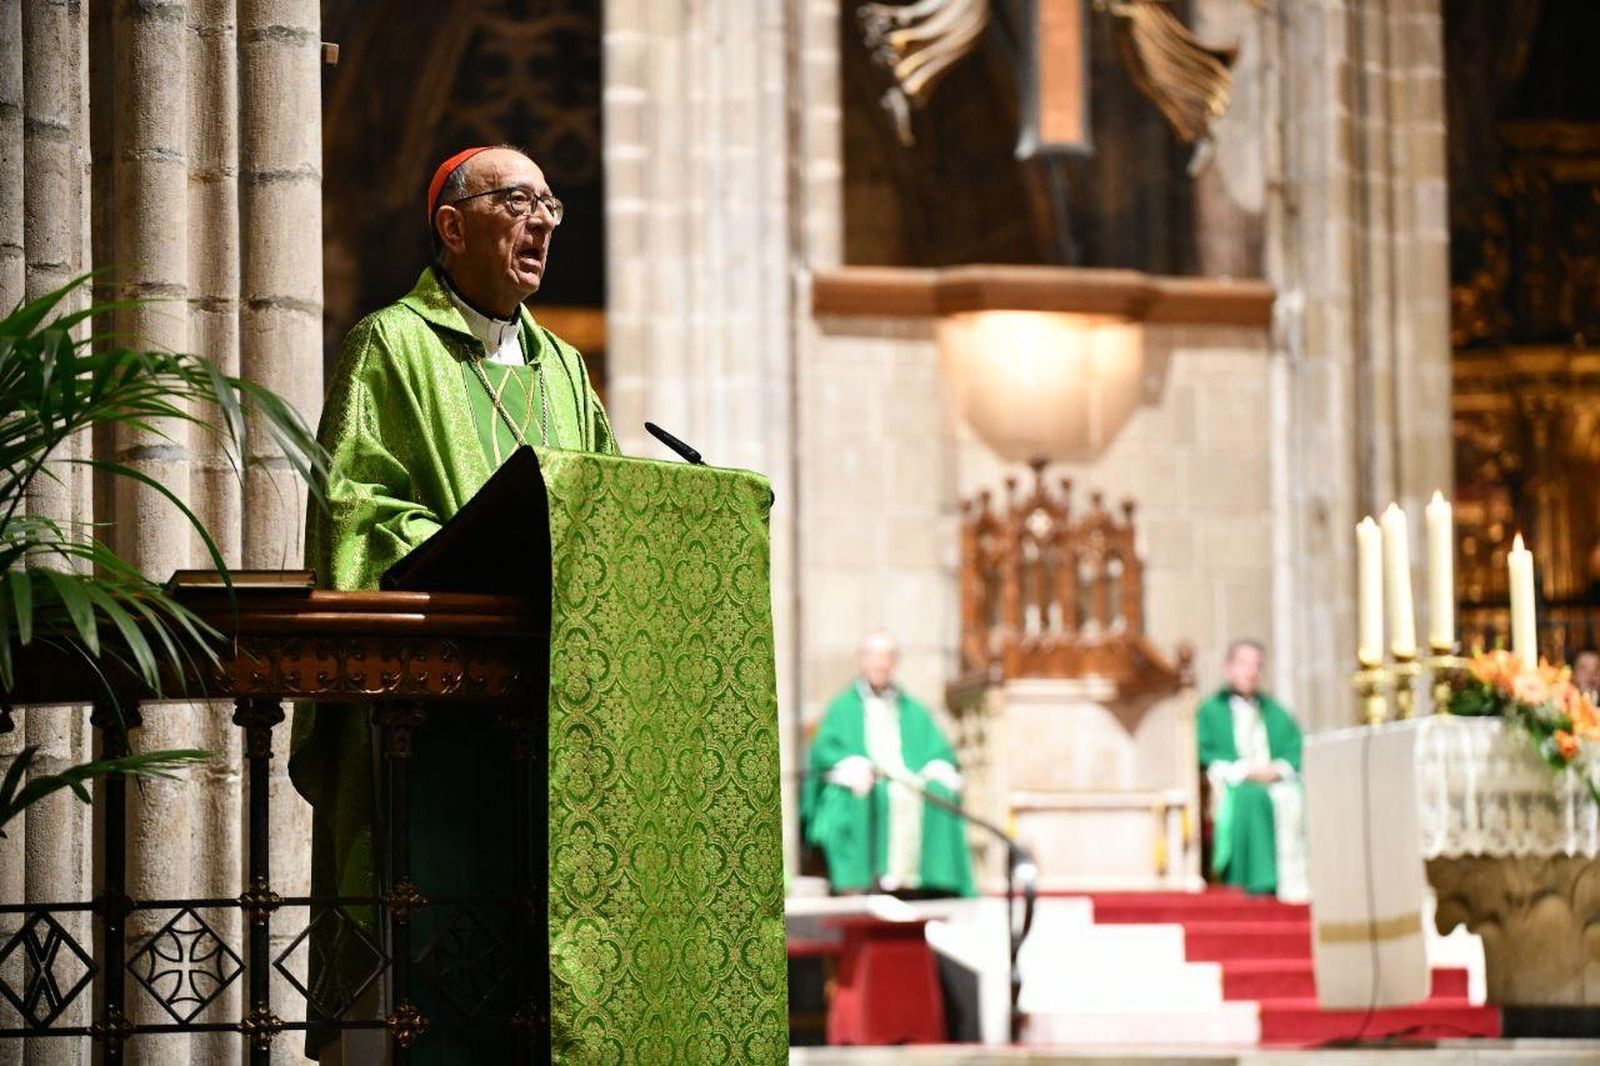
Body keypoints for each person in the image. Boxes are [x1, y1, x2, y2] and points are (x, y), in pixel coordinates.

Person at [289, 144, 615, 1062]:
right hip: (428, 717)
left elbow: (598, 507)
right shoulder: (390, 345)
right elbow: (353, 510)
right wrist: (457, 557)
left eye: (550, 202)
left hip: (542, 712)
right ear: (452, 224)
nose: (543, 221)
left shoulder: (562, 367)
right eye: (517, 201)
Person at [801, 630, 976, 897]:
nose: (880, 664)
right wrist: (852, 766)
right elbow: (825, 752)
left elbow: (938, 751)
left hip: (906, 779)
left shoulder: (912, 708)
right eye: (873, 656)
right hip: (868, 780)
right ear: (862, 660)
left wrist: (936, 769)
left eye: (887, 657)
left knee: (935, 792)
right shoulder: (843, 707)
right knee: (868, 793)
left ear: (896, 663)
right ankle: (858, 884)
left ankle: (932, 883)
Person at [1196, 639, 1307, 901]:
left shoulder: (1274, 710)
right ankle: (1258, 881)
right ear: (1228, 668)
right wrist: (1245, 770)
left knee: (1297, 796)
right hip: (1234, 781)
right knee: (1251, 797)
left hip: (1272, 778)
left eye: (1257, 666)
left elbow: (1294, 748)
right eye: (1244, 664)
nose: (1250, 671)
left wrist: (1276, 769)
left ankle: (1295, 880)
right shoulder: (1210, 711)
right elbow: (1203, 751)